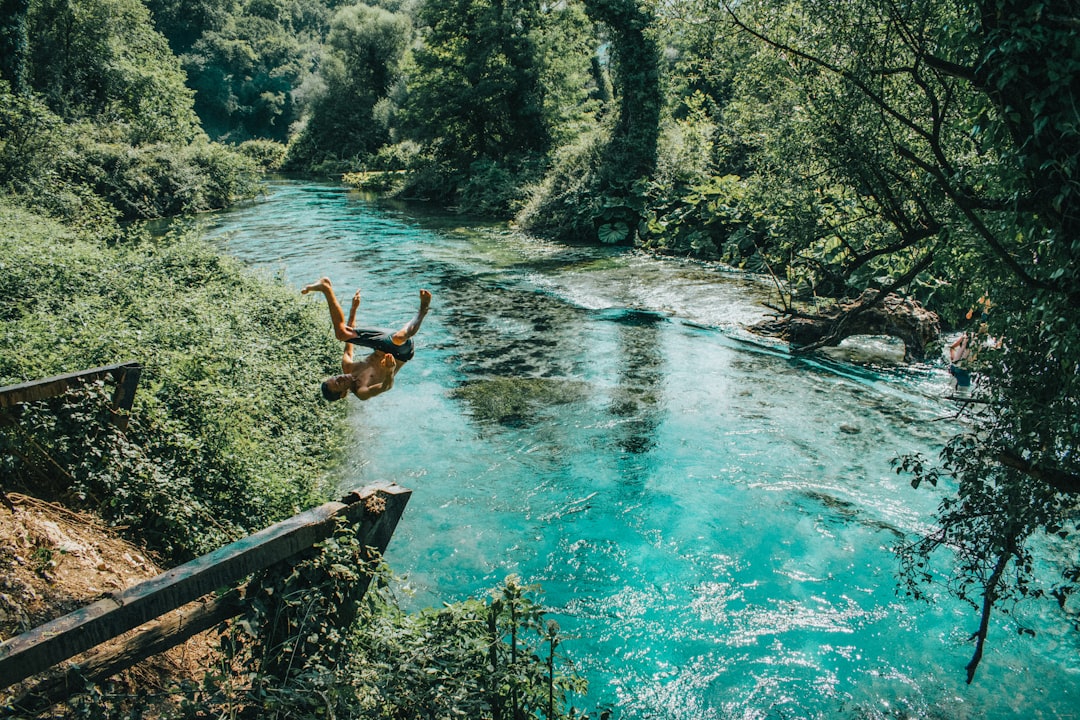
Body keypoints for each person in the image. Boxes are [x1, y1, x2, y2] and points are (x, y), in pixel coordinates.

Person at [302, 277, 431, 401]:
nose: (340, 377)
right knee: (399, 337)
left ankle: (325, 287)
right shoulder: (361, 391)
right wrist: (389, 370)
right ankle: (422, 310)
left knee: (341, 334)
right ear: (342, 394)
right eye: (338, 383)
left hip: (381, 345)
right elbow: (386, 386)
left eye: (336, 377)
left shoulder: (347, 367)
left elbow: (349, 342)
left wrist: (353, 309)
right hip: (401, 354)